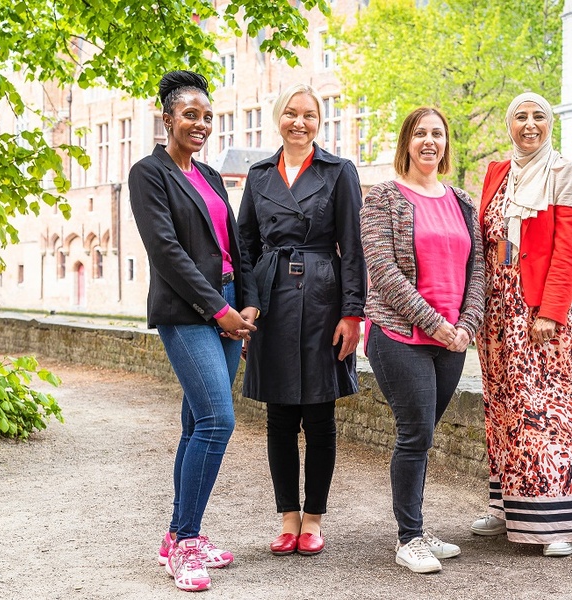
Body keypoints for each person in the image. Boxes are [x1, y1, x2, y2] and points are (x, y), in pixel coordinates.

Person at [128, 70, 259, 591]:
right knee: (217, 421)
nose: (201, 124)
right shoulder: (148, 174)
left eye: (207, 116)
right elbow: (167, 253)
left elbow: (236, 243)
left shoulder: (208, 176)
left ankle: (178, 536)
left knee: (195, 424)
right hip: (187, 312)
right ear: (167, 119)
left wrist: (246, 306)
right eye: (190, 115)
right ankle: (185, 543)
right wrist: (219, 312)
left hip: (229, 304)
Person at [471, 91, 572, 556]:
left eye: (539, 117)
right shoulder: (497, 172)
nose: (529, 125)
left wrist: (550, 310)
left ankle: (562, 522)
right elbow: (484, 243)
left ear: (551, 123)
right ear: (509, 125)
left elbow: (570, 249)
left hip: (548, 310)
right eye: (520, 117)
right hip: (500, 310)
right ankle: (509, 505)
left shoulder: (566, 172)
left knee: (554, 414)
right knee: (506, 409)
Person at [237, 83, 366, 558]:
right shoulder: (258, 175)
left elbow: (353, 249)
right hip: (271, 301)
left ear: (319, 121)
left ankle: (313, 518)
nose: (300, 122)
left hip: (323, 299)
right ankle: (287, 518)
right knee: (279, 416)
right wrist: (248, 303)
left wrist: (353, 314)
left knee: (319, 413)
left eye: (309, 115)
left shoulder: (339, 172)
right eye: (291, 114)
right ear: (279, 118)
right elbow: (244, 246)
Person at [361, 107, 485, 574]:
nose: (429, 141)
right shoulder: (383, 198)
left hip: (451, 339)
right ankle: (408, 537)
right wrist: (433, 322)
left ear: (446, 143)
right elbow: (384, 271)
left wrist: (468, 325)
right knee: (414, 434)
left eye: (437, 133)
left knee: (425, 436)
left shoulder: (462, 201)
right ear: (406, 143)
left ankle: (417, 525)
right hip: (399, 333)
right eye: (420, 133)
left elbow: (479, 271)